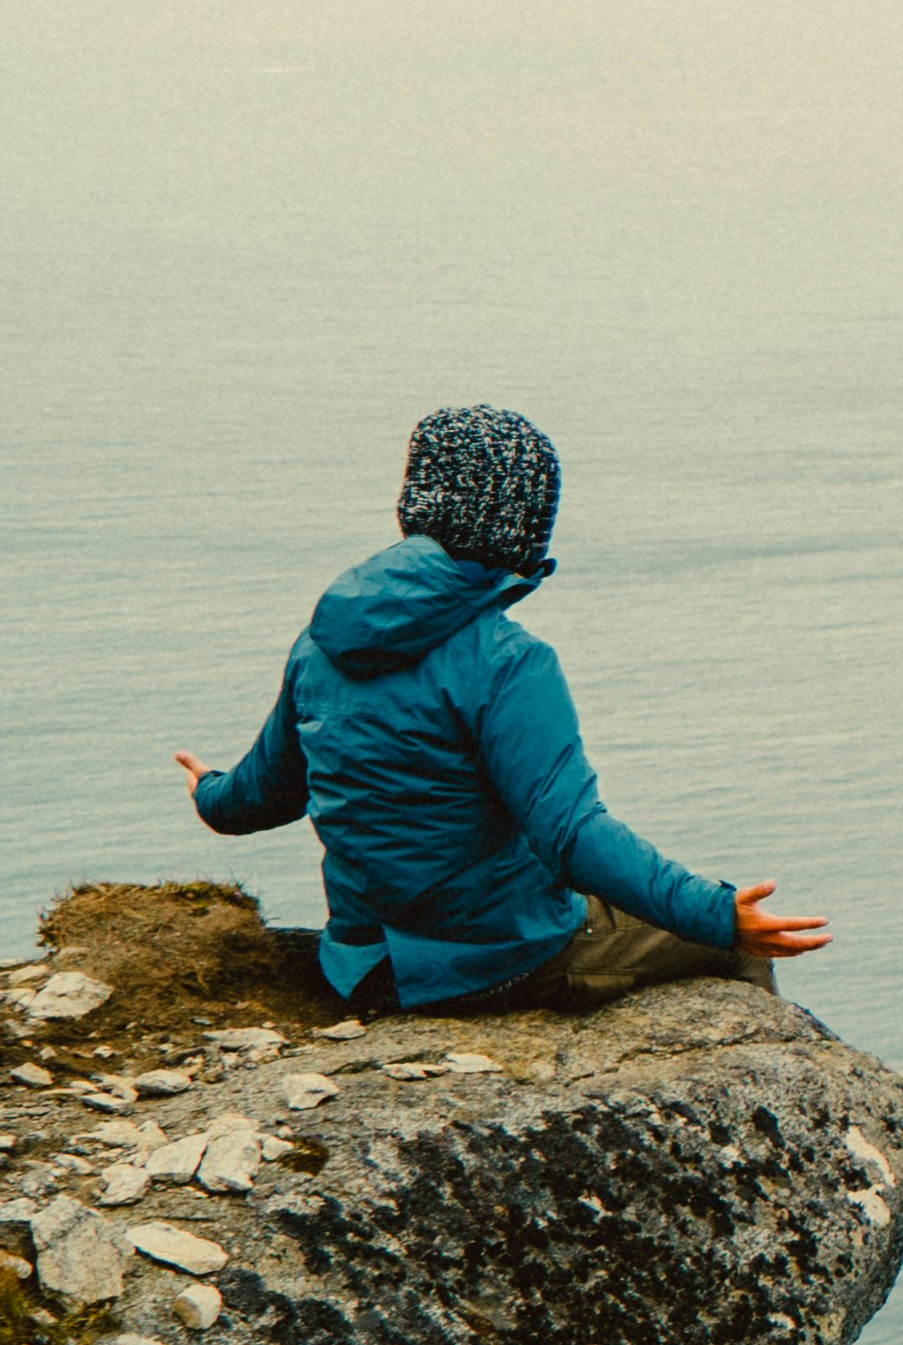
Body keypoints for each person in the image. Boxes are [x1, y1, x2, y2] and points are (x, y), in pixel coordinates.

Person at [179, 405, 833, 1014]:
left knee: (600, 899)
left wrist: (209, 790)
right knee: (725, 948)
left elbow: (262, 797)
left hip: (359, 963)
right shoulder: (507, 659)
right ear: (519, 525)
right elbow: (573, 838)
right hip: (487, 963)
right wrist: (718, 914)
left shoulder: (319, 643)